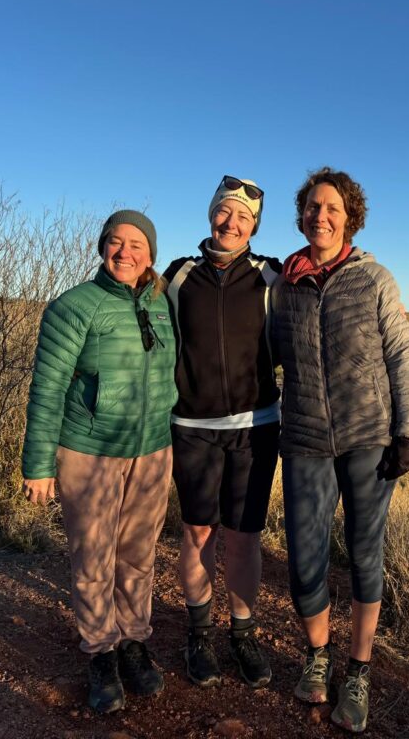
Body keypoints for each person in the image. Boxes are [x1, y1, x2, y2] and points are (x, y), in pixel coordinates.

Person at [272, 167, 409, 733]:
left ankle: (358, 669)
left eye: (332, 208)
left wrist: (408, 431)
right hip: (306, 439)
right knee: (305, 557)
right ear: (302, 214)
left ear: (349, 216)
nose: (321, 216)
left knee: (364, 554)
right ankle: (317, 658)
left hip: (368, 439)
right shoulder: (284, 286)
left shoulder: (374, 279)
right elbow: (267, 356)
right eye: (313, 207)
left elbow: (401, 357)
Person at [21, 209, 177, 714]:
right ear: (101, 247)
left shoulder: (161, 305)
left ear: (150, 254)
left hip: (152, 451)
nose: (125, 252)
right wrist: (38, 464)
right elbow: (47, 388)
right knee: (93, 559)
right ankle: (100, 654)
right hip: (89, 452)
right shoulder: (73, 307)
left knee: (137, 556)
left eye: (136, 244)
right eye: (115, 241)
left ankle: (133, 641)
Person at [162, 176, 281, 690]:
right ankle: (199, 633)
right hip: (192, 427)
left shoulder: (272, 276)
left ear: (254, 226)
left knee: (245, 537)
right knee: (197, 532)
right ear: (210, 215)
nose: (231, 223)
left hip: (256, 427)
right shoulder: (176, 276)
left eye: (243, 217)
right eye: (224, 212)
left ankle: (243, 632)